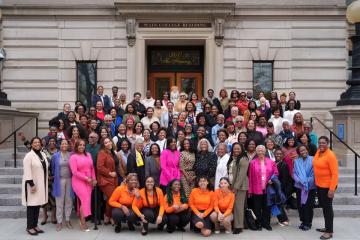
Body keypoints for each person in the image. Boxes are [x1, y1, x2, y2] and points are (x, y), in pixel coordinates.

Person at [313, 136, 338, 240]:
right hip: (319, 185)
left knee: (328, 209)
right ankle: (327, 227)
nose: (321, 144)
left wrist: (331, 189)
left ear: (327, 143)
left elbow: (335, 174)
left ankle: (329, 231)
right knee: (324, 207)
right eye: (320, 143)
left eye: (323, 143)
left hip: (328, 186)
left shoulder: (330, 155)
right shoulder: (318, 152)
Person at [22, 137, 49, 236]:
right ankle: (29, 227)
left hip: (40, 184)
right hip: (32, 185)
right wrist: (31, 184)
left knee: (37, 205)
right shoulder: (29, 156)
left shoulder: (42, 154)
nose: (37, 144)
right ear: (32, 144)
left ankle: (35, 225)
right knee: (31, 206)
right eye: (35, 142)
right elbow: (27, 171)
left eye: (38, 142)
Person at [248, 145, 279, 231]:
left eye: (262, 150)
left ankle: (266, 224)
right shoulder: (252, 162)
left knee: (267, 207)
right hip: (256, 189)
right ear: (256, 152)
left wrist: (272, 180)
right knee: (257, 208)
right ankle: (259, 224)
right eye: (259, 151)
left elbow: (276, 173)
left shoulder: (271, 162)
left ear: (265, 152)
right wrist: (250, 190)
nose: (260, 152)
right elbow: (250, 177)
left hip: (268, 189)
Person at [69, 139, 97, 232]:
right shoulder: (73, 157)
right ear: (76, 146)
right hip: (78, 181)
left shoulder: (88, 155)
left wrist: (94, 179)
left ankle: (82, 219)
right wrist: (87, 178)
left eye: (83, 145)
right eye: (80, 145)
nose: (82, 146)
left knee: (86, 201)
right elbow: (74, 172)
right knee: (85, 199)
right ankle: (83, 222)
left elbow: (92, 168)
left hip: (89, 181)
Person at [51, 139, 73, 231]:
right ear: (60, 145)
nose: (64, 145)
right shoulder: (55, 156)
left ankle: (67, 220)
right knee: (59, 201)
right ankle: (59, 222)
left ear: (68, 145)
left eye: (66, 143)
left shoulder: (71, 155)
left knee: (69, 200)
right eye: (62, 143)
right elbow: (52, 168)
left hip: (70, 180)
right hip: (59, 180)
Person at [228, 143, 249, 234]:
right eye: (234, 149)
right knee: (234, 206)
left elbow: (241, 175)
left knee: (238, 207)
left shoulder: (244, 159)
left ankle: (239, 226)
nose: (236, 150)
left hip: (240, 186)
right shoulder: (233, 158)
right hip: (232, 185)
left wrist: (235, 187)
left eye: (238, 149)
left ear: (242, 149)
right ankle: (235, 224)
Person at [96, 137, 118, 225]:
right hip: (105, 179)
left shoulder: (111, 152)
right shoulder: (102, 153)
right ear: (103, 145)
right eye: (105, 142)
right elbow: (100, 167)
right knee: (112, 198)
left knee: (112, 198)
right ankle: (108, 215)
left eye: (109, 141)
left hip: (113, 179)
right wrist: (109, 173)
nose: (108, 143)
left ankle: (110, 216)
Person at [294, 144, 316, 231]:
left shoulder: (313, 159)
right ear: (299, 153)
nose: (303, 152)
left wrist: (307, 181)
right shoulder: (297, 161)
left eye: (304, 150)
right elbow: (294, 173)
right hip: (299, 186)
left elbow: (314, 173)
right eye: (301, 151)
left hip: (309, 186)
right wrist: (299, 180)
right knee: (300, 205)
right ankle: (303, 221)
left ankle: (308, 223)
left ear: (307, 150)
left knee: (308, 205)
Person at [274, 148, 292, 226]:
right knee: (276, 204)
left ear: (282, 155)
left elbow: (284, 179)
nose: (278, 155)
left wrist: (279, 189)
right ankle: (281, 219)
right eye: (277, 154)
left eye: (280, 154)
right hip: (275, 187)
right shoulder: (274, 163)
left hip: (280, 188)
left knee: (279, 204)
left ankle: (284, 220)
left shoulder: (284, 165)